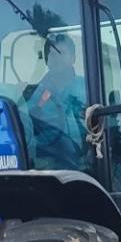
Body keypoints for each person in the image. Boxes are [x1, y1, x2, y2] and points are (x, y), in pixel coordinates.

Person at [28, 34, 88, 168]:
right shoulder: (37, 92)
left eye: (61, 53)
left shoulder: (87, 88)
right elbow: (28, 124)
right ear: (47, 60)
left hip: (86, 162)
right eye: (52, 55)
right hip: (46, 162)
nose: (56, 59)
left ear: (73, 58)